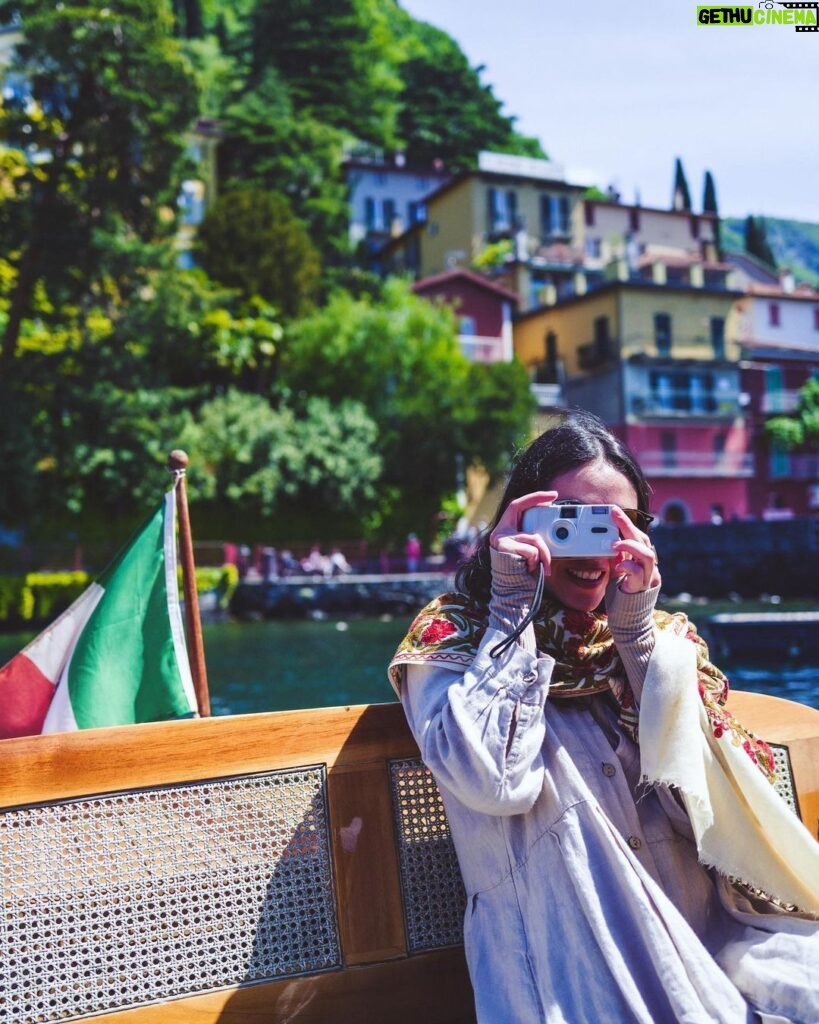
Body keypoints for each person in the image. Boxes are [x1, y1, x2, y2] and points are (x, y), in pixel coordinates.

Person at [388, 409, 819, 1023]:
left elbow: (706, 811)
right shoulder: (455, 637)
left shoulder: (662, 642)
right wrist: (511, 613)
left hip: (712, 937)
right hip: (570, 956)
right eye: (569, 522)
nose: (594, 550)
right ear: (521, 521)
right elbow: (496, 784)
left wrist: (638, 643)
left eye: (616, 525)